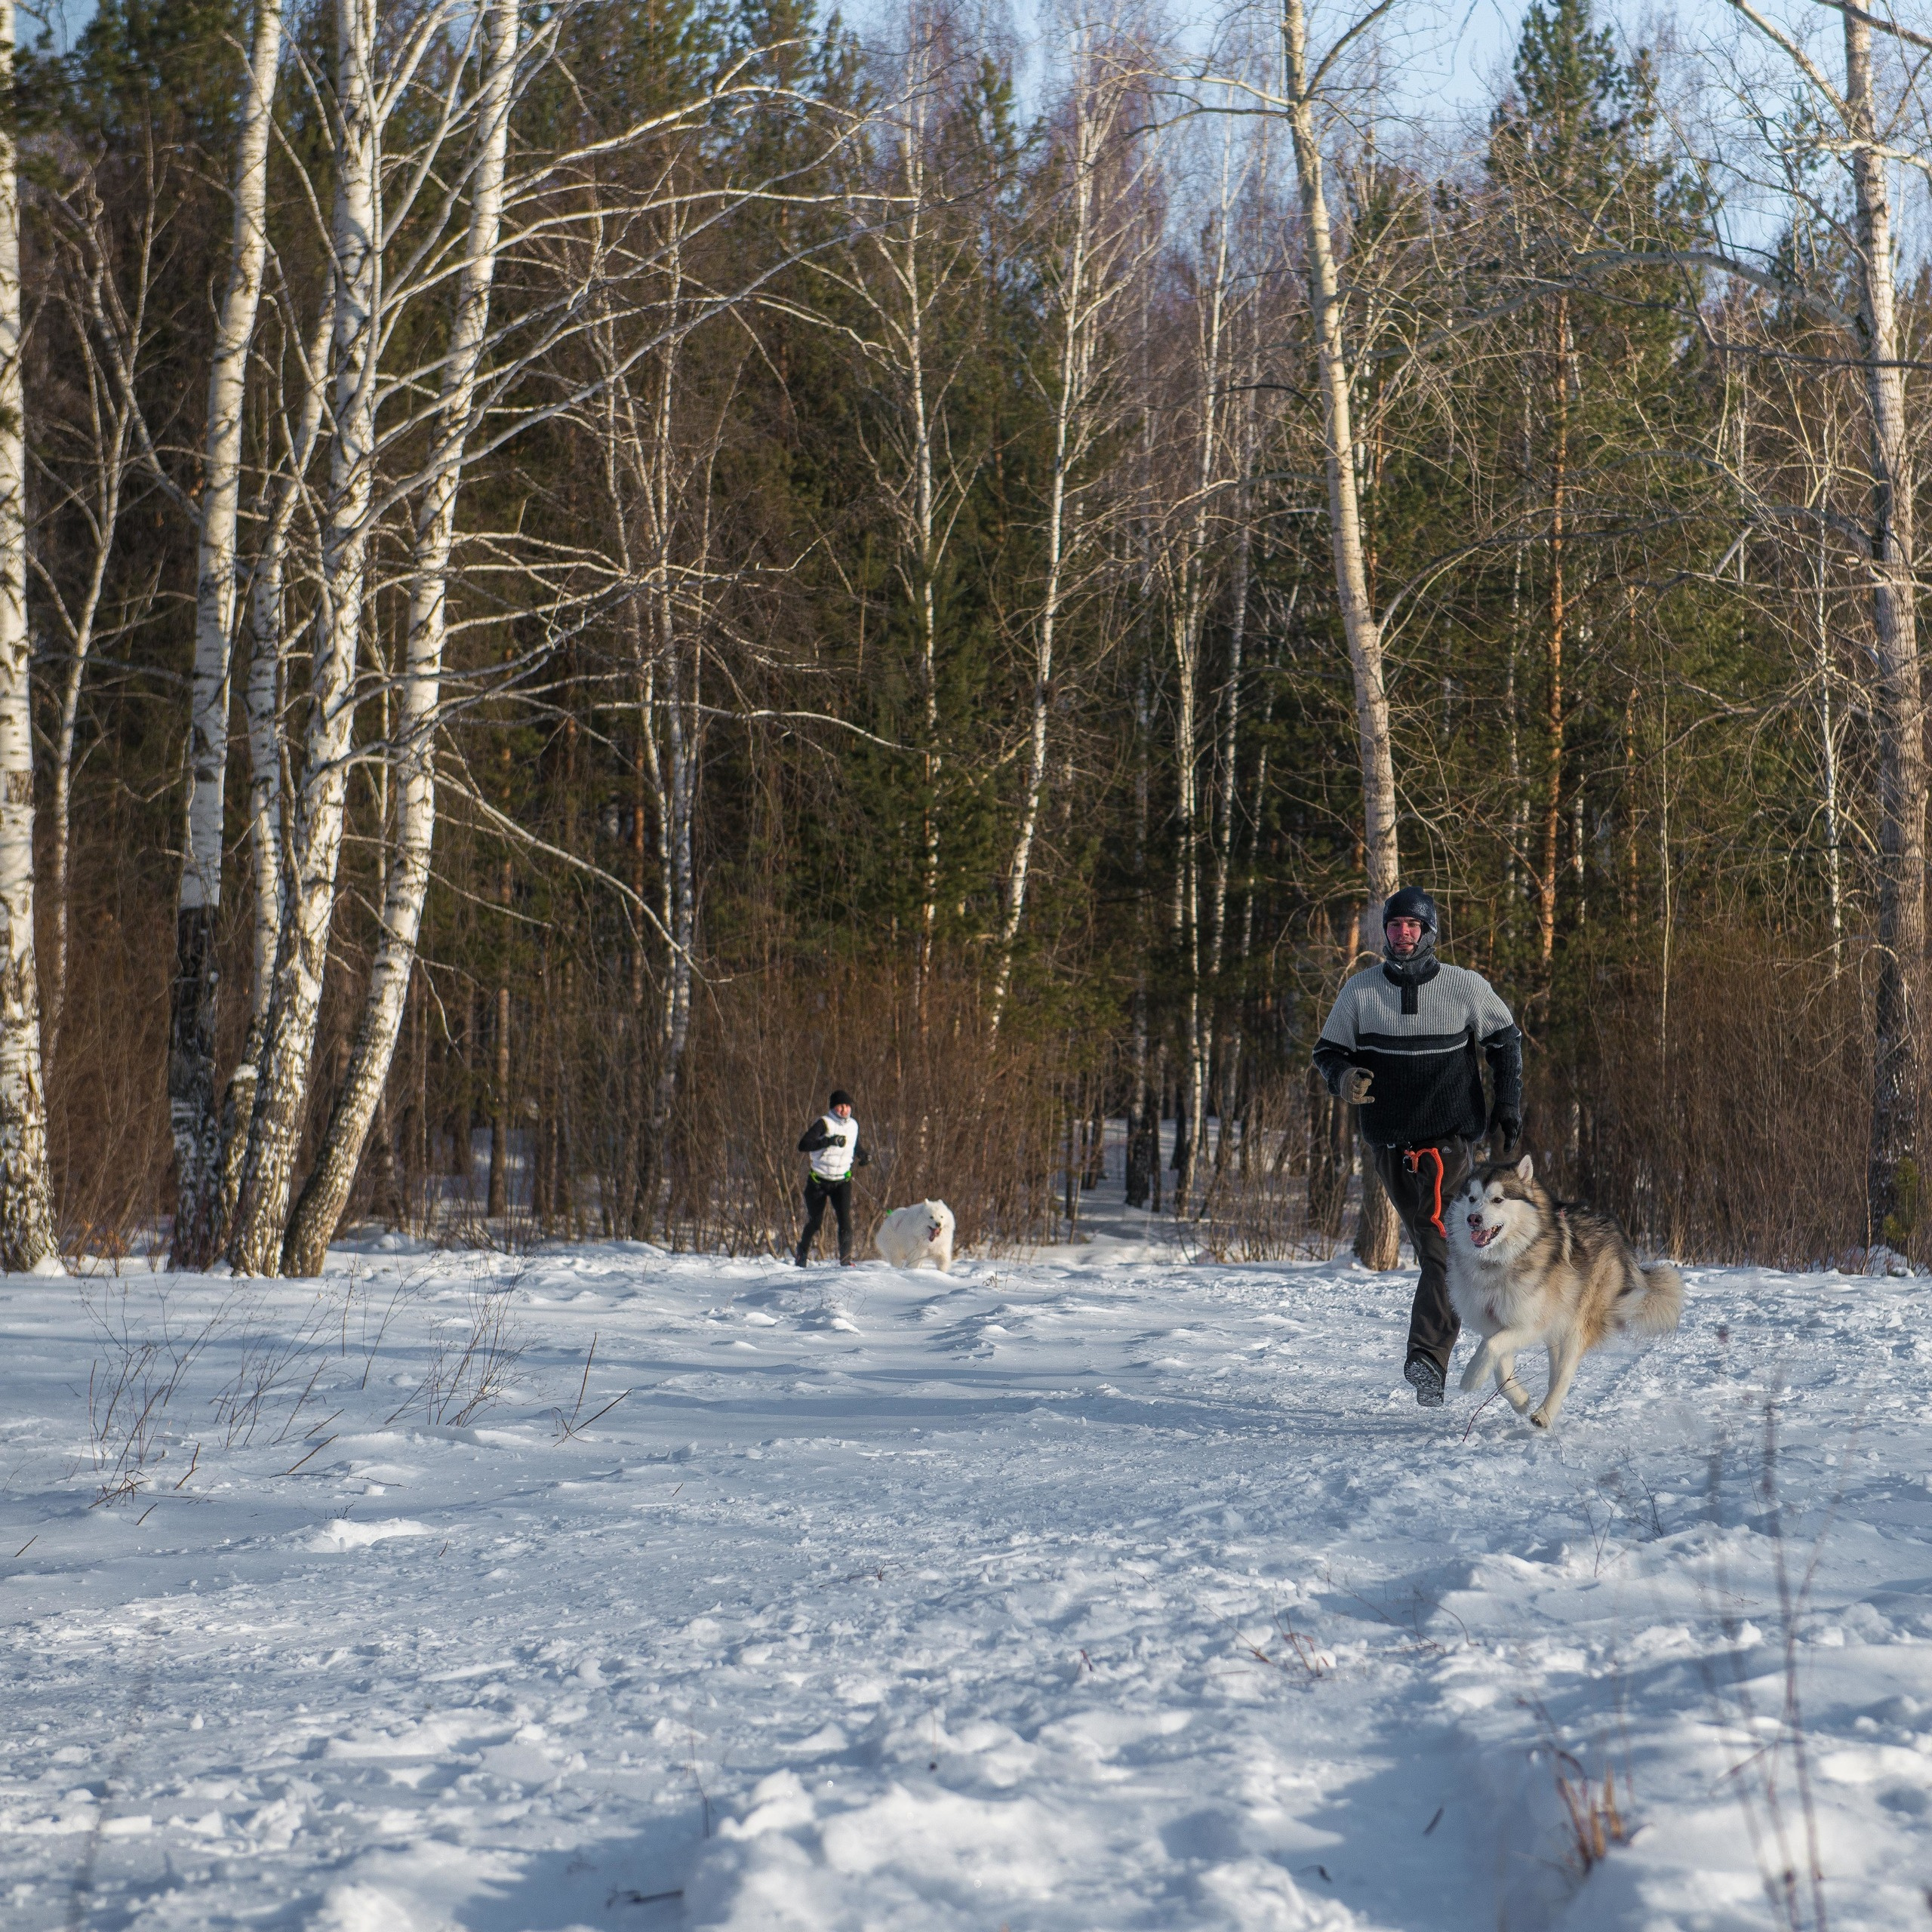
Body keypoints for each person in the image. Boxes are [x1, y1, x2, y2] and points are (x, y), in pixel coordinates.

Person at [1312, 888, 1523, 1408]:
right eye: (1395, 926)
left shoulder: (1464, 987)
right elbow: (1327, 1052)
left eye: (1413, 926)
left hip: (1447, 1144)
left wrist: (1508, 1107)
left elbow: (1506, 1041)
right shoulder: (1360, 991)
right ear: (1384, 933)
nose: (1403, 935)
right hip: (1390, 1146)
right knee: (1441, 1248)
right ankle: (1459, 1336)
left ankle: (1429, 1357)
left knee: (1444, 1247)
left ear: (1430, 932)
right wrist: (1345, 1078)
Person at [794, 1088, 871, 1266]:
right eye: (840, 1106)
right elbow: (803, 1145)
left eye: (847, 1106)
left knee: (845, 1220)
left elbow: (854, 1144)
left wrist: (863, 1155)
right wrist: (828, 1141)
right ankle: (802, 1253)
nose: (844, 1110)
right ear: (833, 1108)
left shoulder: (853, 1126)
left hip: (841, 1181)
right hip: (818, 1181)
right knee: (815, 1222)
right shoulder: (824, 1123)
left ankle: (845, 1260)